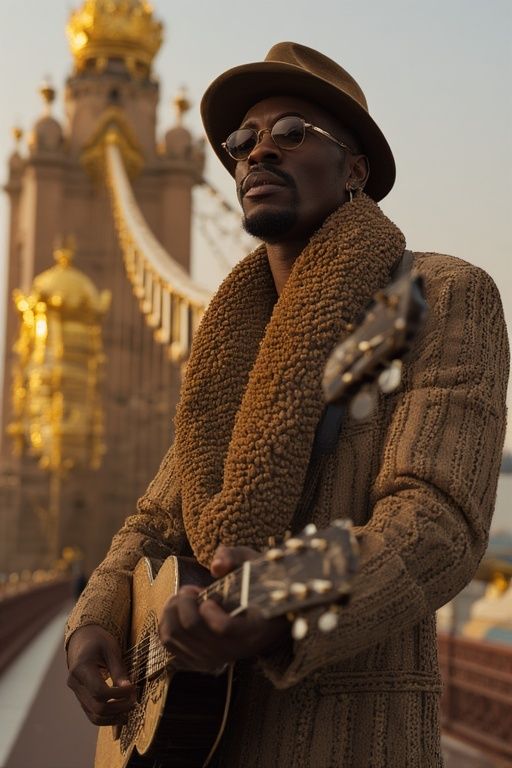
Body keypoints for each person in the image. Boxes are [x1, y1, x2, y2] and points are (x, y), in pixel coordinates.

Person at [65, 42, 509, 767]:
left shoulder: (441, 295)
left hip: (352, 744)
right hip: (193, 737)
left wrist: (274, 597)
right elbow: (153, 521)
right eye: (242, 142)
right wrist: (93, 626)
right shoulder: (229, 346)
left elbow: (436, 519)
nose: (256, 152)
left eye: (292, 132)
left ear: (355, 170)